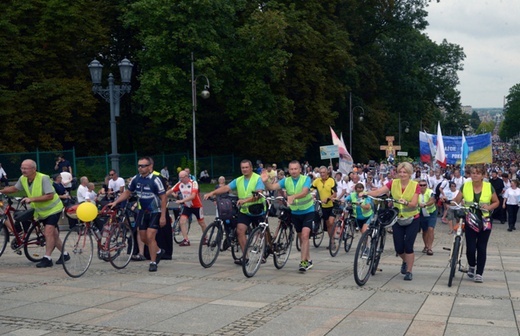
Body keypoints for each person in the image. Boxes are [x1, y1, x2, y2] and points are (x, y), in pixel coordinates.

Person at [0, 159, 67, 268]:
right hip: (41, 211)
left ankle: (47, 258)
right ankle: (65, 254)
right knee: (54, 234)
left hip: (53, 209)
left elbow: (49, 195)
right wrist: (1, 191)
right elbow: (15, 188)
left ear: (34, 169)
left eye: (25, 168)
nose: (23, 170)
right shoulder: (23, 179)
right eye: (22, 168)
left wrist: (32, 199)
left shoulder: (43, 178)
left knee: (48, 232)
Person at [109, 156, 167, 272]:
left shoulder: (155, 179)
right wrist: (116, 202)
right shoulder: (136, 179)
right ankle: (159, 251)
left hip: (155, 211)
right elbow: (127, 192)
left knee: (150, 237)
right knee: (144, 238)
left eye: (143, 166)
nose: (140, 168)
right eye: (139, 166)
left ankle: (153, 262)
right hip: (142, 211)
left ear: (150, 167)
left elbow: (164, 197)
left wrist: (163, 216)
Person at [203, 159, 266, 265]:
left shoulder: (258, 179)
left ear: (251, 168)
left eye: (246, 167)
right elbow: (226, 188)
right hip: (245, 210)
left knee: (262, 233)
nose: (245, 169)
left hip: (257, 210)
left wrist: (244, 200)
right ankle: (245, 257)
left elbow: (258, 194)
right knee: (240, 231)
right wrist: (212, 192)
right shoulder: (239, 180)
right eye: (243, 168)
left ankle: (266, 249)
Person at [367, 162, 420, 281]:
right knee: (399, 248)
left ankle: (409, 271)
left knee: (408, 246)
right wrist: (366, 193)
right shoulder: (393, 183)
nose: (402, 174)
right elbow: (378, 192)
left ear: (410, 173)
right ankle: (406, 261)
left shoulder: (414, 185)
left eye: (405, 172)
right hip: (397, 218)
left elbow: (414, 203)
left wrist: (406, 203)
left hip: (412, 218)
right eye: (400, 172)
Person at [262, 160, 315, 272]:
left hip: (308, 211)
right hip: (295, 212)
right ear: (288, 170)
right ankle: (308, 259)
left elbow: (305, 192)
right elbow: (272, 187)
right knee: (301, 236)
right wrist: (266, 181)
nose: (293, 171)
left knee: (305, 235)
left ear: (300, 169)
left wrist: (293, 196)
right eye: (291, 169)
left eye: (296, 169)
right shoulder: (286, 180)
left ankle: (303, 262)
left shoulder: (306, 179)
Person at [453, 164, 499, 283]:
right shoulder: (466, 186)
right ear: (470, 174)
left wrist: (488, 207)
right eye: (473, 173)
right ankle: (472, 265)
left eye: (478, 173)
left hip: (485, 220)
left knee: (481, 247)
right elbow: (456, 200)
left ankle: (479, 273)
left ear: (483, 175)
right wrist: (451, 202)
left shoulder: (489, 186)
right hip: (470, 219)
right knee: (471, 247)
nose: (475, 175)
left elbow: (496, 202)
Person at [166, 171, 207, 246]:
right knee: (182, 221)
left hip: (197, 206)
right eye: (179, 178)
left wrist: (182, 200)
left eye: (182, 178)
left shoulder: (193, 183)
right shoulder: (179, 184)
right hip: (187, 206)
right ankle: (186, 240)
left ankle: (206, 238)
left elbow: (193, 196)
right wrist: (162, 196)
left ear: (186, 177)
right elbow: (171, 190)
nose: (180, 179)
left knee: (201, 223)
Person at [311, 166, 337, 242]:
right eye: (320, 173)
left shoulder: (331, 180)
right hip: (323, 206)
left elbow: (335, 194)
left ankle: (336, 230)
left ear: (327, 173)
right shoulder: (317, 181)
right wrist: (311, 195)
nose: (322, 174)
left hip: (332, 204)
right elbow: (310, 189)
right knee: (328, 224)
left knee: (331, 222)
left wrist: (328, 198)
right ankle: (332, 241)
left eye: (323, 172)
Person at [418, 179, 437, 256]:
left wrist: (425, 204)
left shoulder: (430, 192)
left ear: (426, 185)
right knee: (424, 231)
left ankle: (430, 248)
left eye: (424, 185)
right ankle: (426, 246)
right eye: (421, 185)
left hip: (431, 213)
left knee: (431, 229)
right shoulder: (416, 192)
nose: (422, 187)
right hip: (421, 214)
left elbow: (432, 200)